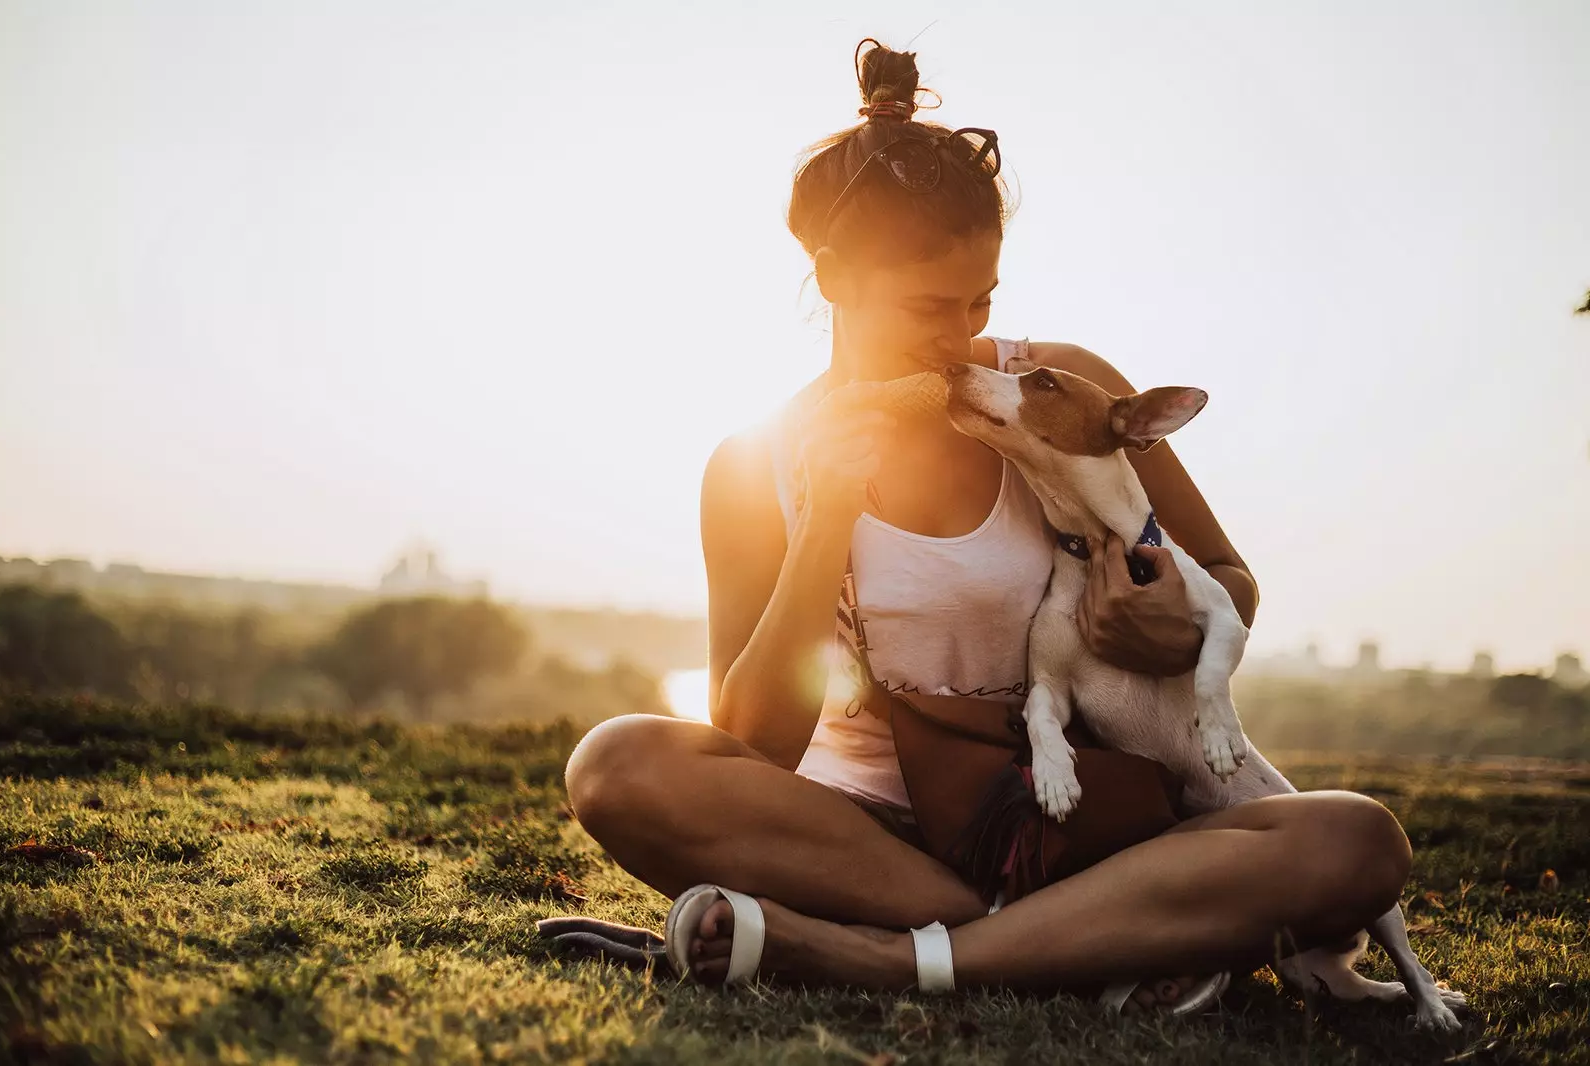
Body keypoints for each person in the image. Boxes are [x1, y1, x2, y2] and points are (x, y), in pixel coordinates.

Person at [563, 39, 1411, 1010]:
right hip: (866, 838)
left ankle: (876, 956)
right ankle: (1083, 939)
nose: (959, 335)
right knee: (618, 764)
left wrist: (1167, 623)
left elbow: (1227, 577)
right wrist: (827, 517)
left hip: (1085, 813)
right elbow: (754, 738)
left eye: (980, 300)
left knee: (1355, 840)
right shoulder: (756, 461)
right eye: (930, 305)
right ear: (835, 275)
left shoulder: (1051, 388)